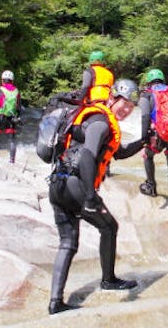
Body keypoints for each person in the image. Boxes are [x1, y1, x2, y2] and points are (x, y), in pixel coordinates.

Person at [47, 78, 145, 314]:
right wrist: (90, 197)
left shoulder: (95, 118)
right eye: (124, 104)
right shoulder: (101, 122)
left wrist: (144, 142)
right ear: (112, 98)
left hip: (57, 184)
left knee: (68, 243)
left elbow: (118, 153)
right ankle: (108, 280)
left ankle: (55, 302)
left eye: (131, 108)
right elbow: (89, 155)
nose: (127, 110)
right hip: (75, 187)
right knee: (109, 227)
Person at [138, 68, 168, 220]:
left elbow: (145, 117)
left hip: (158, 135)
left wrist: (144, 139)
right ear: (162, 79)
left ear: (149, 81)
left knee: (147, 155)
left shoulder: (146, 94)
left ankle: (151, 186)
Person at [0, 70, 21, 163]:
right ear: (12, 81)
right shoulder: (17, 92)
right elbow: (18, 107)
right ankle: (12, 160)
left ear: (2, 80)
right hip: (11, 119)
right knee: (12, 140)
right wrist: (17, 117)